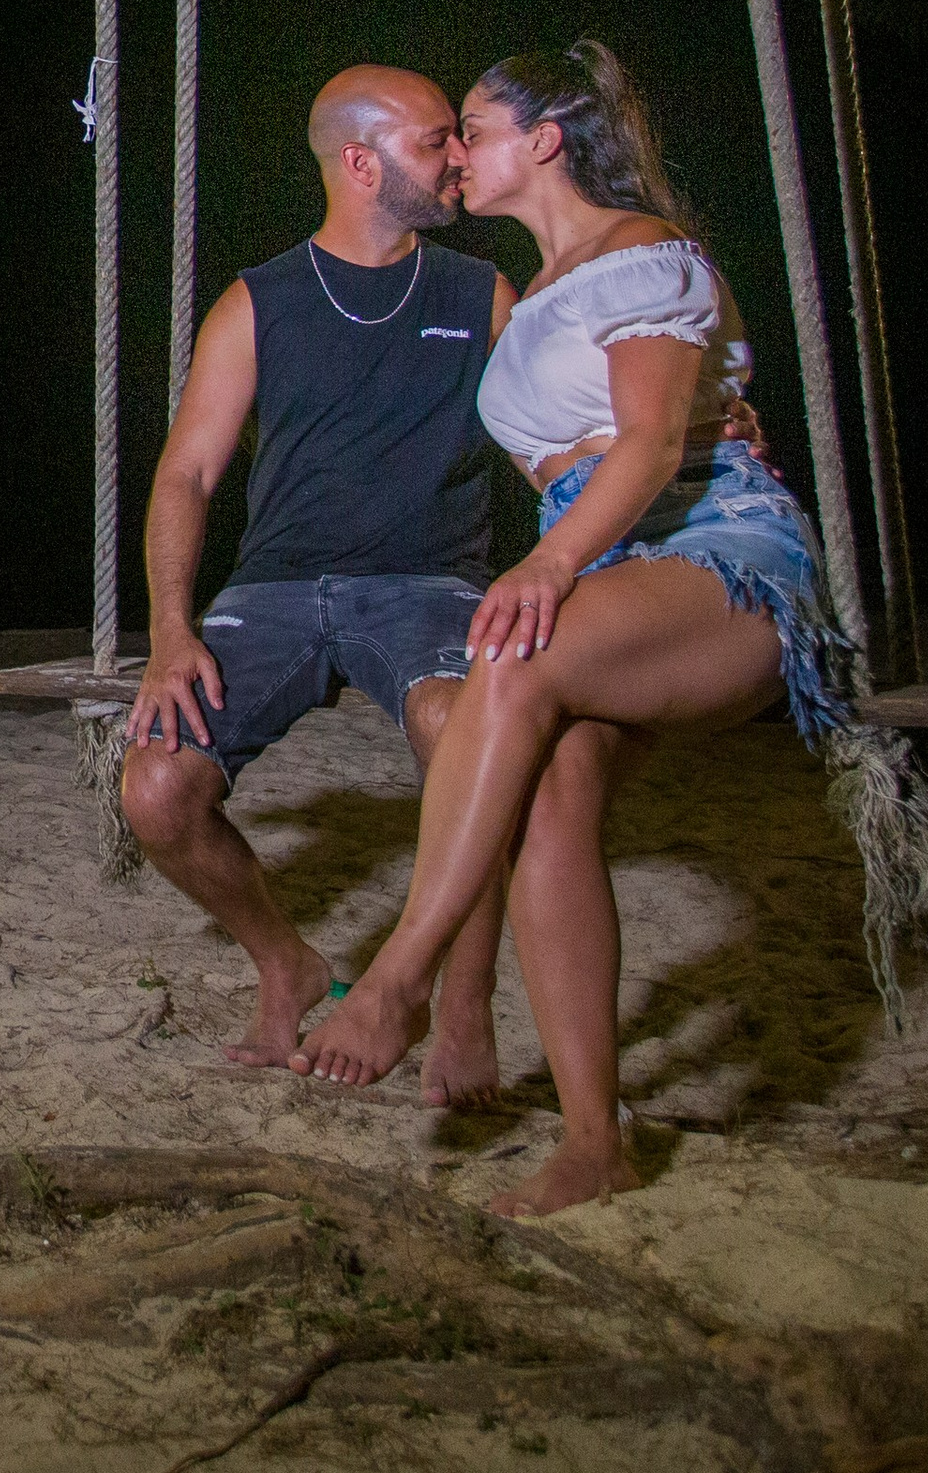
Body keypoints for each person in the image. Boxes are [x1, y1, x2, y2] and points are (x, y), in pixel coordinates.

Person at [296, 40, 927, 1218]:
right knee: (548, 790)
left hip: (714, 552)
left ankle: (398, 976)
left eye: (470, 130)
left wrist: (547, 557)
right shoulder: (531, 292)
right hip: (605, 559)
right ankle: (597, 1138)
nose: (454, 153)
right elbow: (577, 442)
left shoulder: (645, 257)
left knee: (510, 651)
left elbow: (643, 445)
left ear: (540, 141)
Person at [125, 63, 629, 1100]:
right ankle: (287, 962)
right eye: (435, 140)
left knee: (465, 727)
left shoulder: (478, 293)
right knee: (157, 790)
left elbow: (562, 435)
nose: (458, 159)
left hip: (428, 586)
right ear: (359, 163)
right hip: (270, 591)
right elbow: (185, 474)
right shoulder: (256, 303)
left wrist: (687, 435)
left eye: (459, 137)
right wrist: (172, 632)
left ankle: (460, 1003)